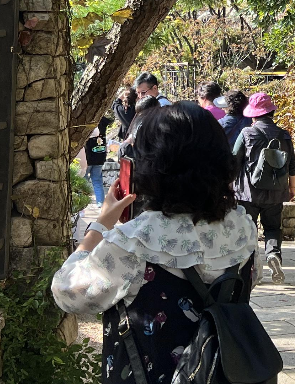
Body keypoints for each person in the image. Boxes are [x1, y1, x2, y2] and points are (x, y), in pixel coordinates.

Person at [52, 103, 262, 384]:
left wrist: (101, 225)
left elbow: (67, 293)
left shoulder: (133, 243)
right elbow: (249, 279)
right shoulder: (242, 229)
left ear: (150, 166)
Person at [233, 92, 295, 284]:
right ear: (271, 113)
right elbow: (292, 165)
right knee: (272, 228)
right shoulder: (284, 135)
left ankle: (250, 269)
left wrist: (228, 186)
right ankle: (273, 254)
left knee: (247, 230)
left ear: (254, 115)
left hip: (248, 193)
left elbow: (234, 161)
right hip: (276, 193)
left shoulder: (247, 133)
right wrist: (291, 188)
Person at [84, 116, 111, 205]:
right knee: (97, 181)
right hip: (100, 157)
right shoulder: (103, 125)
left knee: (83, 181)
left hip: (87, 158)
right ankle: (101, 203)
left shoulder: (86, 123)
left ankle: (81, 205)